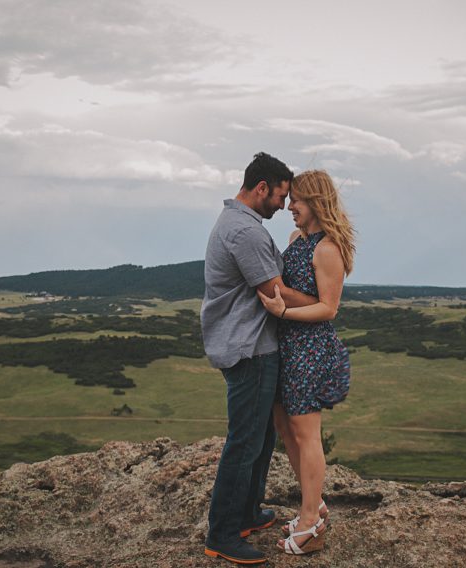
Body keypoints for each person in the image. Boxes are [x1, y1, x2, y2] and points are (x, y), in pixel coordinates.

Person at [201, 152, 319, 564]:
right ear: (262, 188)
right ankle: (223, 533)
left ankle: (248, 511)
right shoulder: (244, 231)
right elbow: (275, 292)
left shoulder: (241, 223)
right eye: (280, 196)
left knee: (262, 439)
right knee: (245, 442)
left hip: (257, 346)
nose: (285, 206)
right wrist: (323, 303)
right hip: (249, 349)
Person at [257, 170, 355, 555]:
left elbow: (328, 309)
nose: (290, 207)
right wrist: (280, 297)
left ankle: (312, 524)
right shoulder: (297, 239)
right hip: (288, 346)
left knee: (306, 432)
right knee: (285, 426)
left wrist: (282, 311)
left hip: (310, 349)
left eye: (295, 200)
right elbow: (294, 291)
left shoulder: (327, 248)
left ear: (315, 202)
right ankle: (312, 505)